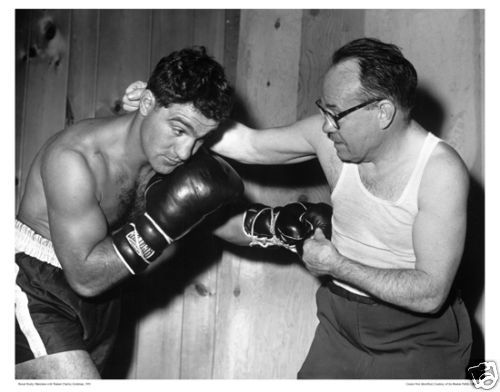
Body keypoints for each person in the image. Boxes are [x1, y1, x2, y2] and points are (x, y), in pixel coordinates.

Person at [123, 38, 472, 378]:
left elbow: (429, 294)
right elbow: (251, 145)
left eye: (336, 115)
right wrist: (164, 107)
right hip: (342, 321)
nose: (325, 125)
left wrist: (336, 264)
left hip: (419, 334)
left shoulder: (439, 171)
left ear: (383, 112)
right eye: (324, 109)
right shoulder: (331, 139)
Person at [15, 46, 245, 379]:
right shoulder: (74, 160)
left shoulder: (162, 159)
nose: (185, 152)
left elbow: (212, 220)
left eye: (199, 139)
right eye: (179, 130)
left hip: (108, 293)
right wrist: (162, 225)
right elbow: (84, 276)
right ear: (148, 103)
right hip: (37, 287)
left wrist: (273, 227)